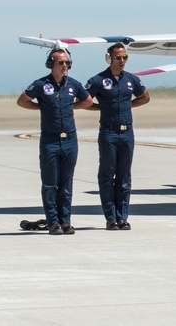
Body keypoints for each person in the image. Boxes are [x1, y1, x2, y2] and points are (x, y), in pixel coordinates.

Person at [17, 48, 92, 235]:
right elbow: (22, 101)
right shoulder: (41, 84)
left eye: (67, 63)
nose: (65, 66)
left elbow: (88, 101)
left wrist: (71, 105)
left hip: (70, 140)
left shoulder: (74, 85)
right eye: (61, 63)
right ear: (51, 64)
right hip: (50, 141)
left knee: (66, 183)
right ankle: (52, 222)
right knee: (50, 184)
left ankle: (65, 221)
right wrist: (41, 107)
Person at [85, 43, 150, 230]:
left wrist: (128, 106)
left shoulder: (131, 80)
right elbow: (83, 101)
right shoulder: (98, 80)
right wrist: (102, 108)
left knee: (124, 175)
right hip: (109, 132)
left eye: (125, 57)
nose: (122, 61)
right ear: (109, 58)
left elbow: (145, 97)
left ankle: (123, 217)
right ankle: (110, 217)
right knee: (107, 174)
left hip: (127, 132)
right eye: (118, 57)